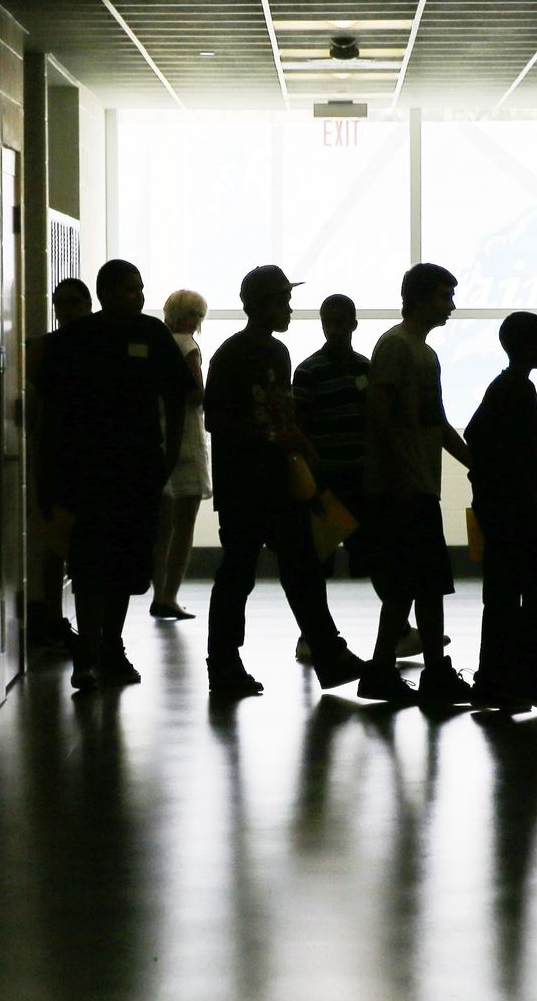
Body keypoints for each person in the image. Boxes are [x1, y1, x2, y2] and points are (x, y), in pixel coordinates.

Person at [202, 265, 365, 697]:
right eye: (282, 301)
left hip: (277, 480)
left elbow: (282, 413)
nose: (290, 309)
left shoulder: (277, 354)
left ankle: (327, 654)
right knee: (240, 573)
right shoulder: (232, 355)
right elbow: (215, 417)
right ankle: (224, 663)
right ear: (259, 305)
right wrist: (272, 437)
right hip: (243, 484)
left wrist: (297, 449)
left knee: (301, 567)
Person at [38, 259, 190, 692]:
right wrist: (49, 473)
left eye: (140, 288)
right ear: (104, 294)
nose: (138, 296)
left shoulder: (152, 334)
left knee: (126, 563)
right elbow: (52, 412)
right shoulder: (77, 338)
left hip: (139, 468)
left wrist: (171, 453)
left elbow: (178, 396)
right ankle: (88, 650)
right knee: (89, 564)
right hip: (89, 470)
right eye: (129, 289)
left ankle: (112, 645)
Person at [357, 262, 474, 706]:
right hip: (401, 488)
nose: (451, 306)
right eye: (445, 297)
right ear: (419, 299)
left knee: (420, 582)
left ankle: (398, 669)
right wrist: (401, 476)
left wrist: (473, 464)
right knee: (417, 581)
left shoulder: (425, 354)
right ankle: (414, 671)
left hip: (416, 484)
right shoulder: (395, 347)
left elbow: (437, 424)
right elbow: (380, 415)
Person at [290, 294, 422, 662]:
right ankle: (311, 635)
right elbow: (300, 426)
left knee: (377, 556)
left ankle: (398, 631)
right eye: (328, 321)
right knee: (320, 563)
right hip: (328, 482)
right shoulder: (309, 371)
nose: (334, 328)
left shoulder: (367, 368)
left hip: (361, 480)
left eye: (340, 321)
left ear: (352, 323)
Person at [464, 312, 537, 712]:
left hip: (502, 507)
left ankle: (494, 678)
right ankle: (524, 676)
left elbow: (475, 435)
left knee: (503, 595)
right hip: (517, 510)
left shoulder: (505, 387)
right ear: (526, 347)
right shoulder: (516, 390)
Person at [27, 277, 91, 652]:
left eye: (72, 302)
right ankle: (54, 617)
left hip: (88, 456)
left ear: (87, 304)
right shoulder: (45, 348)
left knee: (84, 548)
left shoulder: (98, 346)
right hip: (57, 456)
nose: (64, 310)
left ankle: (87, 627)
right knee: (55, 544)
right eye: (59, 303)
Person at [150, 288, 211, 619]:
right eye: (195, 314)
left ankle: (159, 591)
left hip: (160, 436)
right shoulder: (188, 347)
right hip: (186, 437)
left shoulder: (159, 344)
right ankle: (169, 596)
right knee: (184, 524)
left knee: (163, 526)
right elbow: (196, 393)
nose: (197, 321)